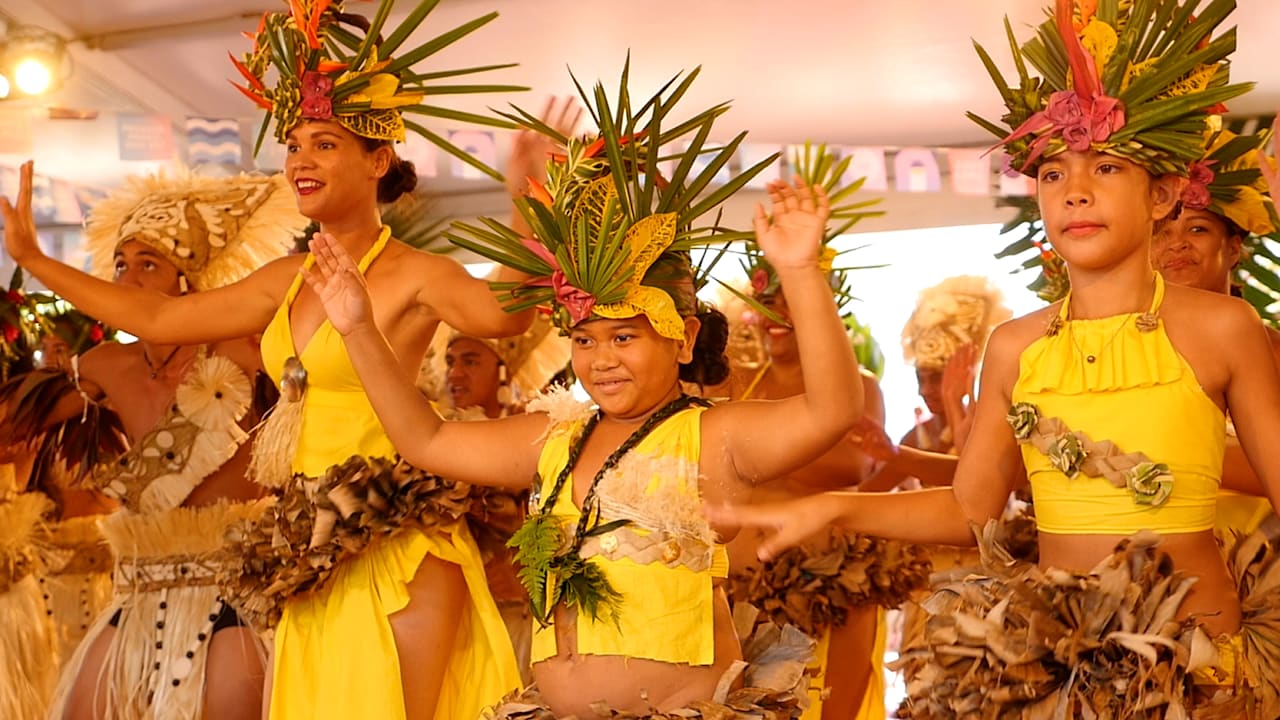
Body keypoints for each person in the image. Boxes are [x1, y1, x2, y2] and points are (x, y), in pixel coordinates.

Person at [709, 1, 1280, 715]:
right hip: (1061, 670)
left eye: (1105, 166)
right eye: (1051, 174)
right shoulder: (1016, 346)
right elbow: (970, 508)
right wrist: (830, 508)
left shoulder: (1225, 327)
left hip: (1201, 668)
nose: (1075, 189)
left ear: (1163, 194)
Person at [2, 3, 548, 718]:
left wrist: (528, 208)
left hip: (397, 537)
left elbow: (504, 315)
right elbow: (159, 316)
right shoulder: (285, 280)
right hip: (306, 548)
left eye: (324, 143)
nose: (300, 160)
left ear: (377, 160)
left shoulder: (415, 272)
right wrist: (38, 260)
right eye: (293, 145)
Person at [299, 64, 864, 717]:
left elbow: (833, 410)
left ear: (681, 341)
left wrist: (798, 272)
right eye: (586, 339)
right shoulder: (554, 438)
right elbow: (423, 439)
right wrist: (360, 328)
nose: (601, 360)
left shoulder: (714, 436)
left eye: (625, 339)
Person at [3, 169, 305, 720]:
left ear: (189, 282)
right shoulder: (105, 367)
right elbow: (13, 430)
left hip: (236, 590)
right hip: (139, 589)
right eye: (121, 263)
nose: (128, 277)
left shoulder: (246, 350)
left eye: (149, 264)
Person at [714, 147, 911, 720]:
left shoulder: (858, 386)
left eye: (786, 302)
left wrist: (836, 509)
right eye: (764, 304)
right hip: (750, 579)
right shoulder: (737, 384)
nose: (774, 317)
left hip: (836, 575)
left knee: (833, 709)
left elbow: (881, 473)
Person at [858, 276, 1011, 492]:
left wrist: (953, 401)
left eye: (938, 377)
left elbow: (975, 484)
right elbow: (869, 492)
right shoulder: (916, 438)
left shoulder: (988, 427)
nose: (925, 390)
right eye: (921, 378)